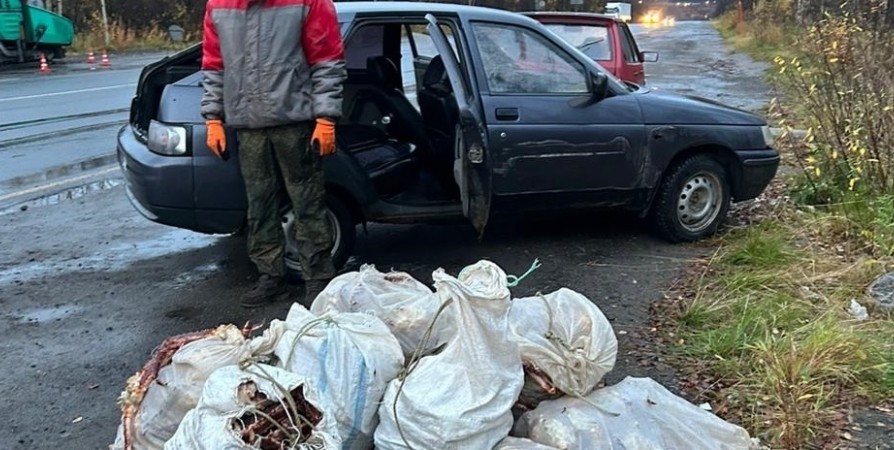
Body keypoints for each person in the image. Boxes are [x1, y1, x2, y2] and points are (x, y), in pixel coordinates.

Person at [200, 0, 346, 308]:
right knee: (259, 204)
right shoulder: (220, 5)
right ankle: (271, 276)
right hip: (248, 126)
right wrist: (212, 118)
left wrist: (326, 118)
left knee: (307, 202)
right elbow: (214, 65)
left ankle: (318, 277)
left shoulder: (308, 2)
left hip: (295, 122)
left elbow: (327, 62)